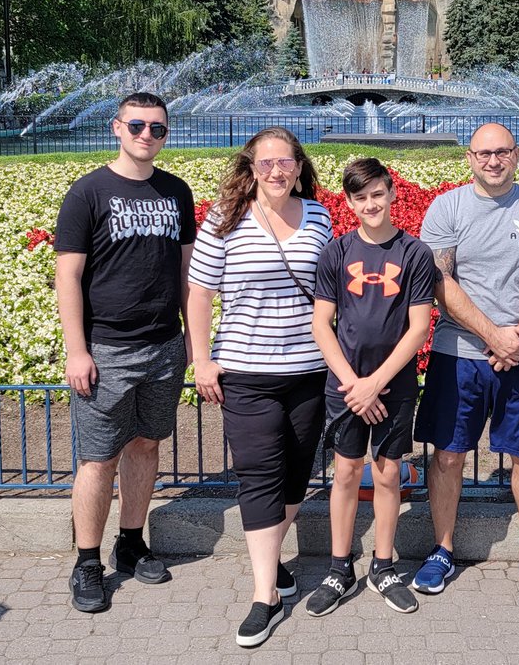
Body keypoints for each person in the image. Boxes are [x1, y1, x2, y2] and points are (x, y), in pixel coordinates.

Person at [412, 122, 519, 599]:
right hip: (457, 352)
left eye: (502, 152)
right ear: (469, 157)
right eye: (483, 153)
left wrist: (518, 337)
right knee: (448, 455)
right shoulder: (448, 207)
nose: (493, 161)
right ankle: (442, 550)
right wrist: (492, 336)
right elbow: (440, 283)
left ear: (516, 154)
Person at [187, 127, 332, 648]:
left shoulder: (318, 216)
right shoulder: (225, 221)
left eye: (285, 161)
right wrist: (202, 359)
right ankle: (263, 596)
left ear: (298, 166)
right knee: (259, 475)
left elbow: (329, 293)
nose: (276, 170)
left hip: (308, 370)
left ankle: (272, 565)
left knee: (295, 473)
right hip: (246, 372)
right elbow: (199, 294)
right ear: (251, 167)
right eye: (266, 162)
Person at [54, 92, 196, 614]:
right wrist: (77, 350)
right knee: (97, 459)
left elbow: (187, 275)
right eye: (137, 125)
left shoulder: (176, 192)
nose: (146, 135)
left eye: (157, 128)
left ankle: (131, 543)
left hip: (163, 346)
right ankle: (87, 561)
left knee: (145, 446)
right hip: (107, 348)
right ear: (117, 128)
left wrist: (193, 343)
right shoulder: (88, 192)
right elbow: (67, 275)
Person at [307, 158, 437, 618]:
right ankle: (338, 568)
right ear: (349, 202)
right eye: (360, 197)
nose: (370, 204)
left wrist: (376, 384)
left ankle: (383, 566)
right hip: (345, 383)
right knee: (344, 474)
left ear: (392, 193)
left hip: (393, 383)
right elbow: (322, 324)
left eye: (378, 194)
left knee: (386, 474)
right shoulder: (336, 253)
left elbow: (418, 327)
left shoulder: (414, 253)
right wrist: (352, 384)